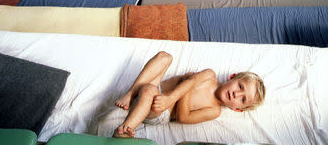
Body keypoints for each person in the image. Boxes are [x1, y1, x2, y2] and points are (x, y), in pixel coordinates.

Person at [113, 51, 266, 138]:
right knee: (165, 57)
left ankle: (125, 129)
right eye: (240, 86)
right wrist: (186, 84)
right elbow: (191, 83)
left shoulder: (214, 110)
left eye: (242, 99)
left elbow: (183, 117)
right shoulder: (209, 75)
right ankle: (130, 93)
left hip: (160, 110)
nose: (236, 94)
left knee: (148, 91)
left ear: (238, 109)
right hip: (157, 88)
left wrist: (179, 92)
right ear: (232, 77)